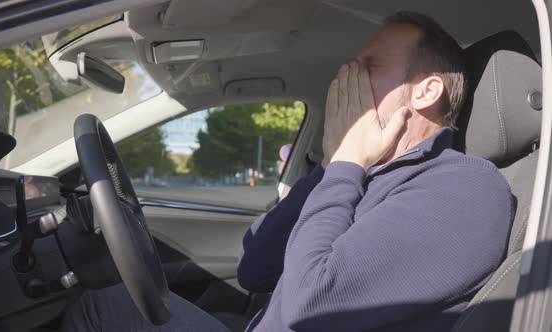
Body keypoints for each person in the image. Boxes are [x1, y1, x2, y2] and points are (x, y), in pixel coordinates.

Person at [62, 11, 514, 332]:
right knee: (110, 299)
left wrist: (346, 164)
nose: (347, 77)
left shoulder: (465, 189)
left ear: (425, 91)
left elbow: (307, 303)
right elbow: (255, 267)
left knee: (102, 312)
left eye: (370, 67)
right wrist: (334, 167)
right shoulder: (371, 173)